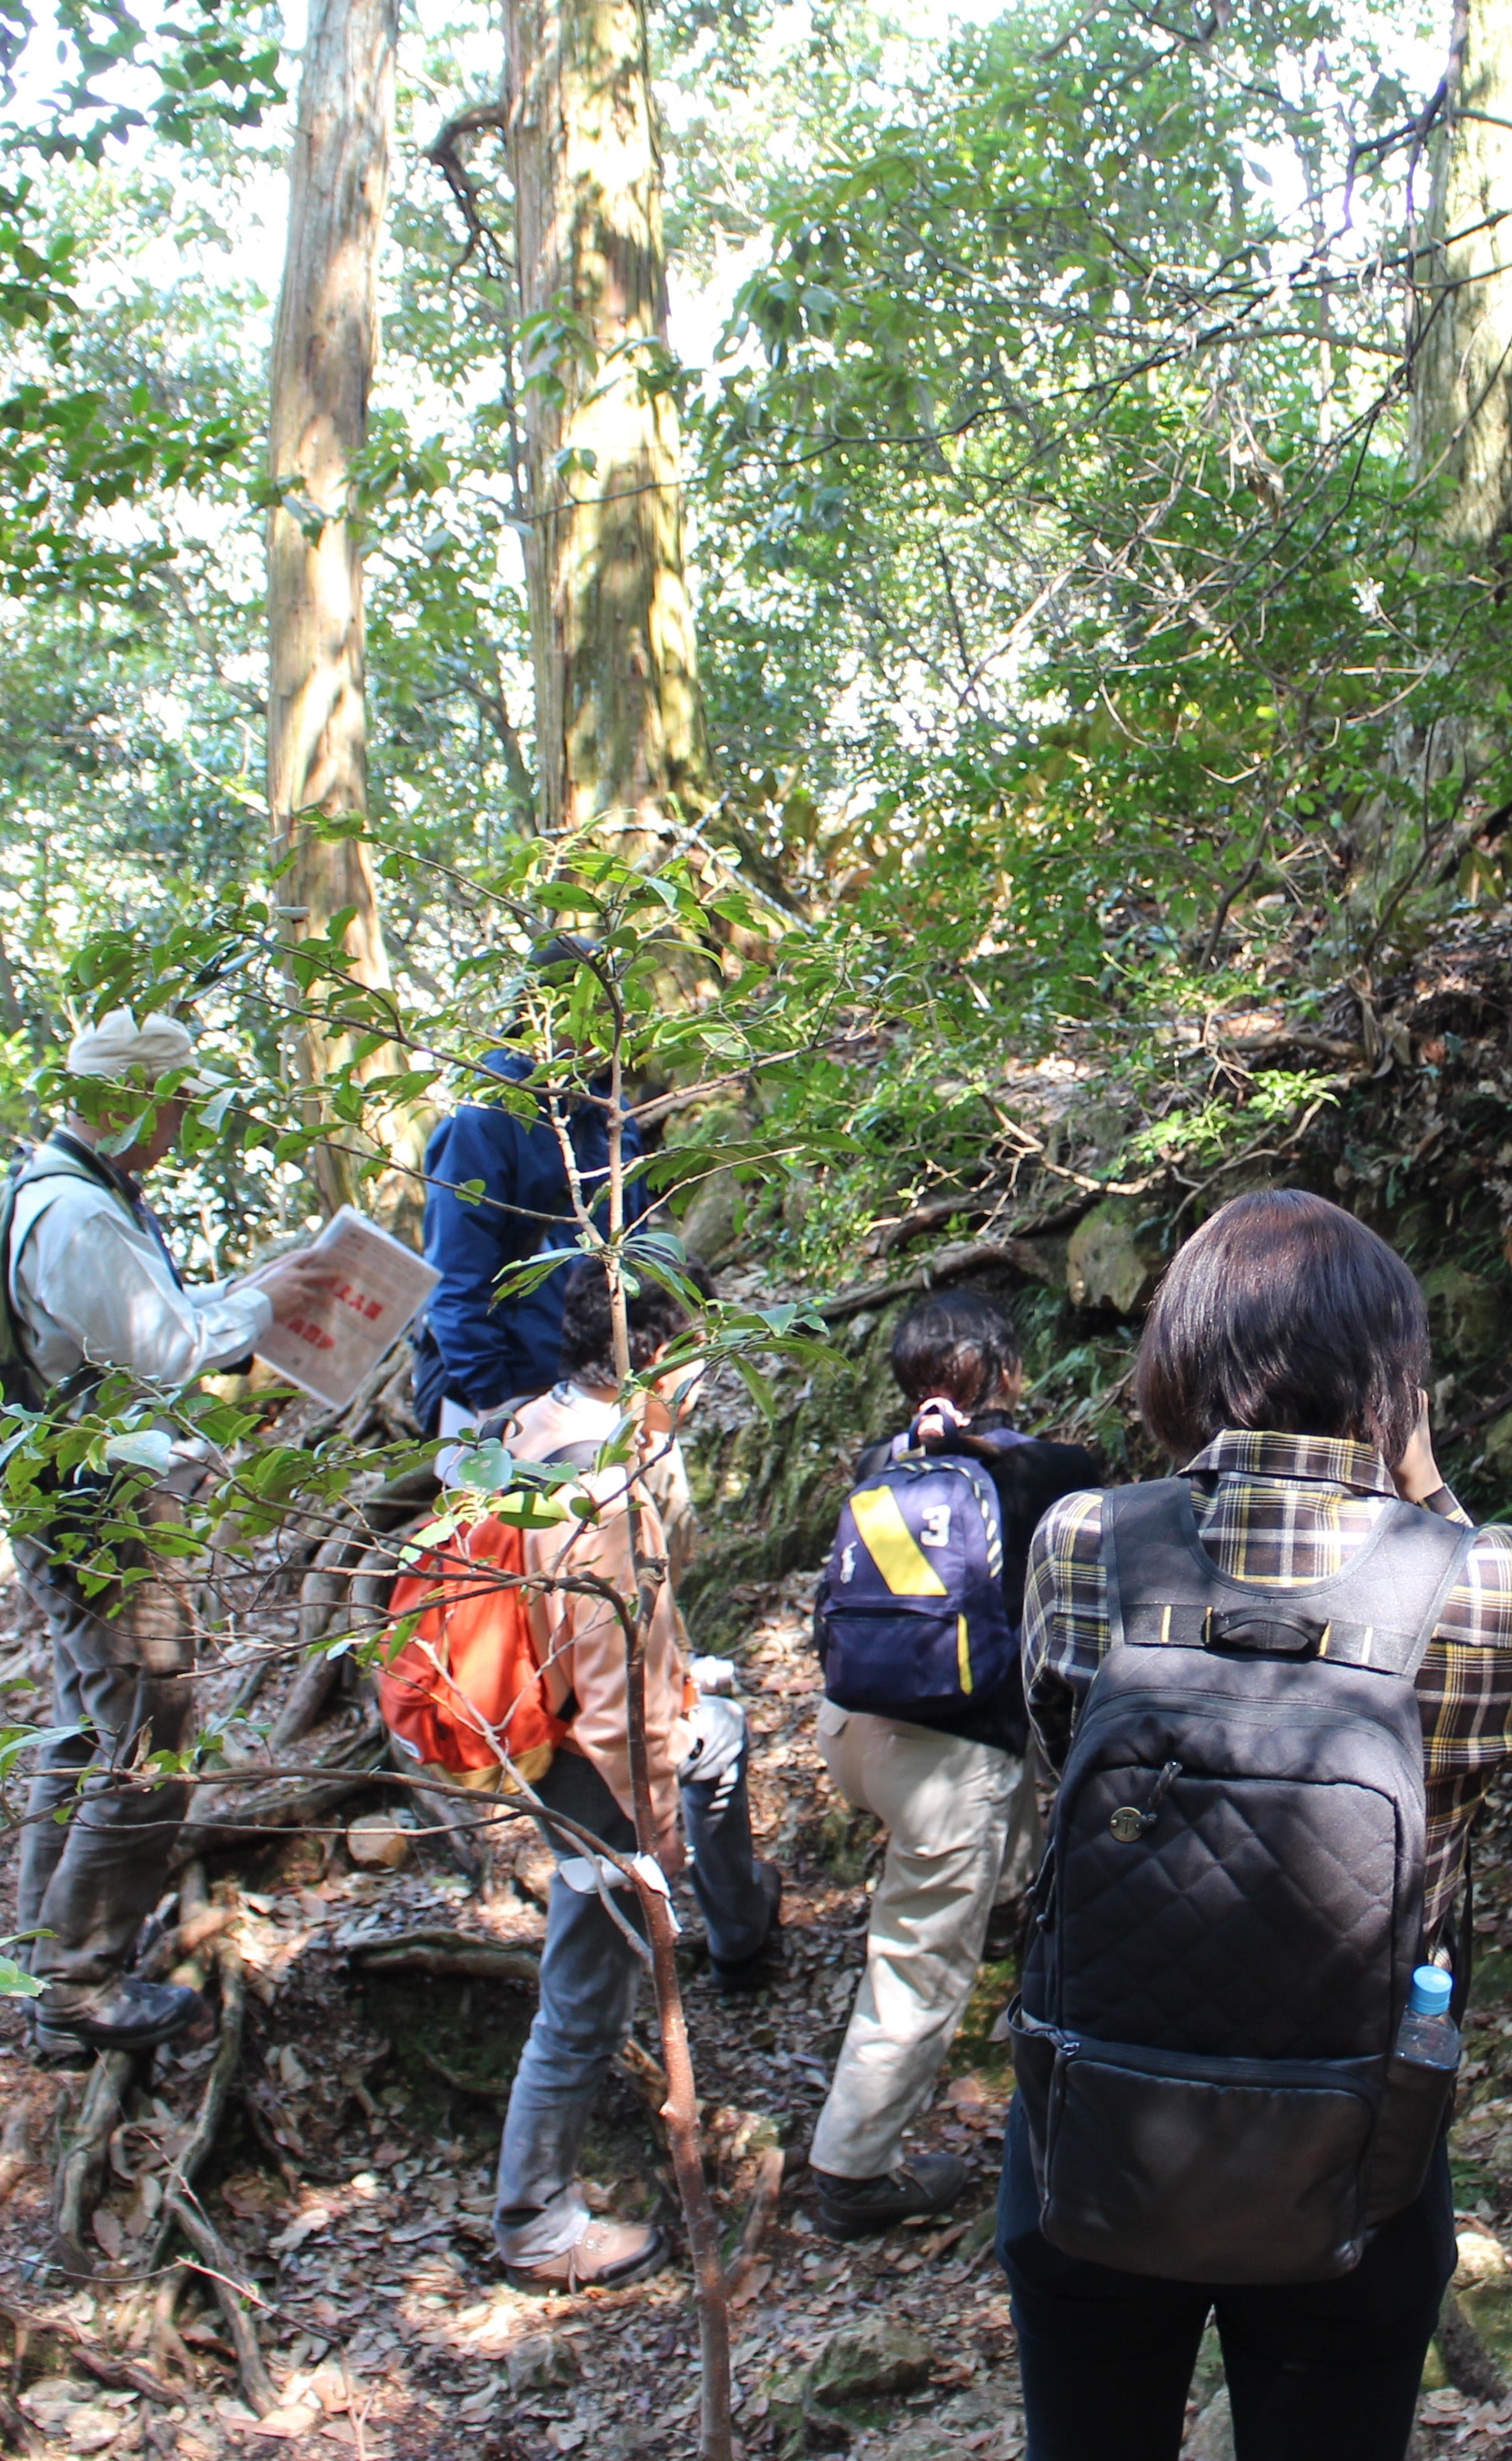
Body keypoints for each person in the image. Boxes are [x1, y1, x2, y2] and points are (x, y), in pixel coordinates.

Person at [1004, 1191, 1512, 2459]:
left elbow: (1061, 1763)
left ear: (1178, 1357)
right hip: (1360, 2143)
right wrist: (1427, 1489)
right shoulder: (1488, 1578)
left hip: (1093, 2126)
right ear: (1395, 1382)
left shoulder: (1084, 1542)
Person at [8, 1009, 325, 2052]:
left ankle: (46, 1968)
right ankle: (77, 1987)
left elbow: (137, 1329)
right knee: (150, 1735)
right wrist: (261, 1307)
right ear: (131, 1102)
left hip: (75, 1498)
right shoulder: (78, 1215)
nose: (185, 1124)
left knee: (87, 1730)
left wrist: (246, 1298)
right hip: (97, 1515)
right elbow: (167, 1351)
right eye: (177, 1103)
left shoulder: (79, 1195)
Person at [488, 1270, 783, 2287]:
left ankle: (739, 1934)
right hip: (590, 1762)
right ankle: (533, 2220)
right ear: (654, 1354)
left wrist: (683, 1676)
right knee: (586, 1989)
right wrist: (653, 1828)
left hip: (549, 1722)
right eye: (694, 1350)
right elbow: (616, 1698)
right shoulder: (602, 1489)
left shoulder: (535, 1425)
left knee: (723, 1735)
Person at [803, 1290, 1106, 2242]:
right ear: (1008, 1370)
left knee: (997, 1795)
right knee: (918, 1964)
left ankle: (1010, 1902)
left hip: (852, 1728)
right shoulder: (1053, 1473)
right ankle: (852, 2170)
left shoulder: (877, 1462)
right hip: (947, 1760)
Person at [415, 936, 657, 1435]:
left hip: (601, 1386)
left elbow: (636, 1244)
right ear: (545, 1011)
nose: (614, 1026)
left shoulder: (611, 1113)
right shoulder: (485, 1119)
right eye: (597, 1009)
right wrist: (495, 1401)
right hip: (514, 1392)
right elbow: (456, 1274)